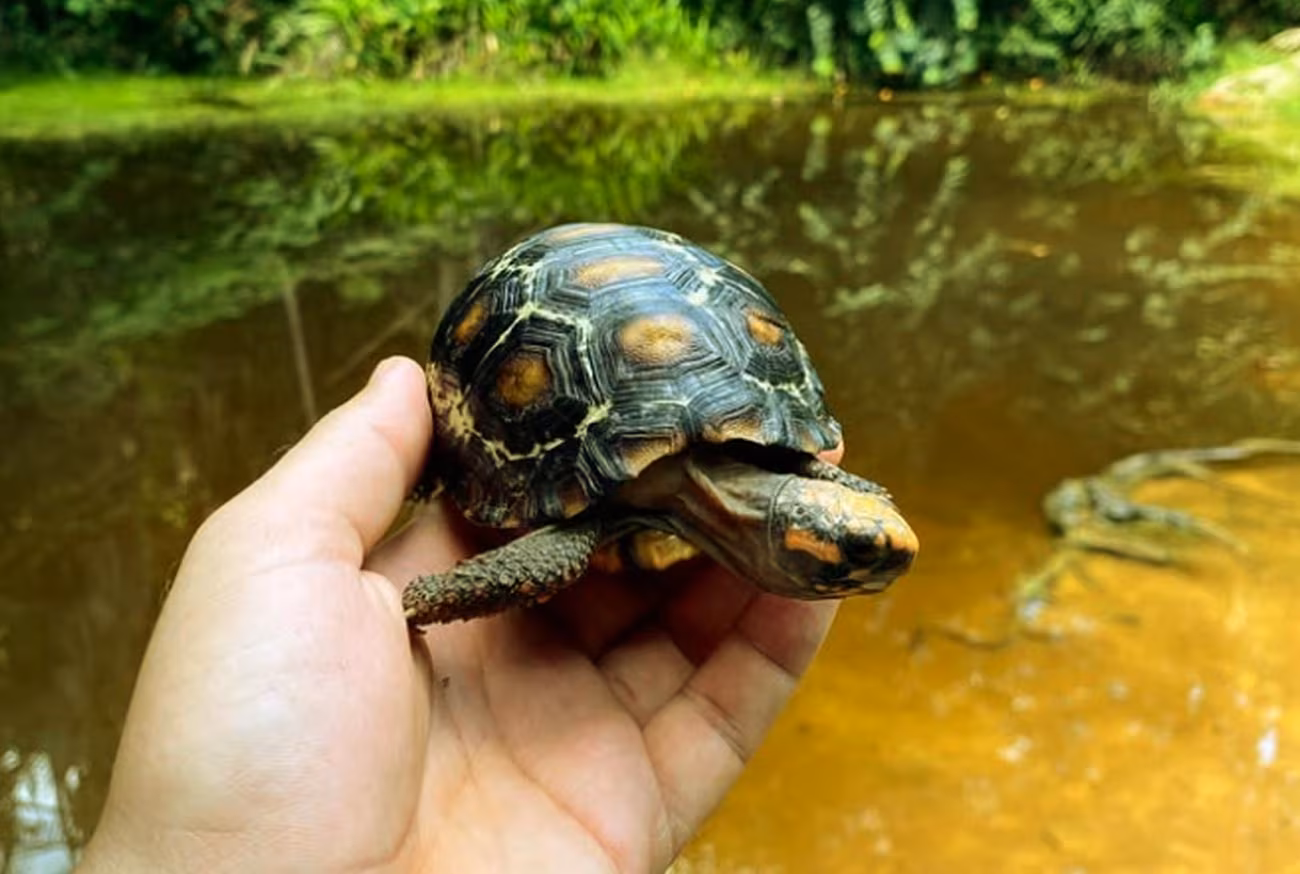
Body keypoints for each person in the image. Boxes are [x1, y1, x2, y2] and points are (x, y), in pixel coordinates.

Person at [79, 356, 842, 873]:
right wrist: (416, 603)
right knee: (560, 552)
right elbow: (549, 548)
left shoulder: (777, 480)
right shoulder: (577, 537)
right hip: (582, 526)